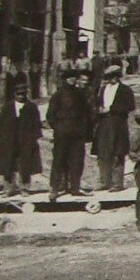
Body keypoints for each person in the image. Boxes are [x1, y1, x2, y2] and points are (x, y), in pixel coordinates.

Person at [46, 68, 94, 200]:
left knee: (77, 161)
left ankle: (75, 187)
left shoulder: (81, 94)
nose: (72, 80)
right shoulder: (58, 95)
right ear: (65, 80)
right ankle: (55, 188)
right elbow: (50, 115)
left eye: (74, 78)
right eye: (69, 78)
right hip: (62, 133)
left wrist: (84, 129)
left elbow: (86, 114)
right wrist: (58, 127)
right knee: (59, 160)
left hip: (77, 133)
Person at [0, 83, 42, 196]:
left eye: (23, 94)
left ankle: (25, 189)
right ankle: (8, 189)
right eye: (18, 94)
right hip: (9, 140)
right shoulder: (7, 107)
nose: (21, 96)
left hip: (26, 140)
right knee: (8, 164)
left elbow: (36, 124)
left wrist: (34, 138)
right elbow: (0, 124)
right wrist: (1, 139)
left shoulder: (31, 107)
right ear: (14, 94)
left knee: (25, 165)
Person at [92, 63, 136, 192]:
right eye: (110, 77)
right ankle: (104, 181)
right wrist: (99, 110)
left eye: (115, 76)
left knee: (118, 153)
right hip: (104, 124)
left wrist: (111, 109)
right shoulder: (103, 89)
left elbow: (130, 106)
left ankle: (117, 183)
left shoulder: (125, 90)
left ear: (119, 77)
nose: (113, 79)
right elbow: (97, 103)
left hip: (118, 124)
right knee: (102, 153)